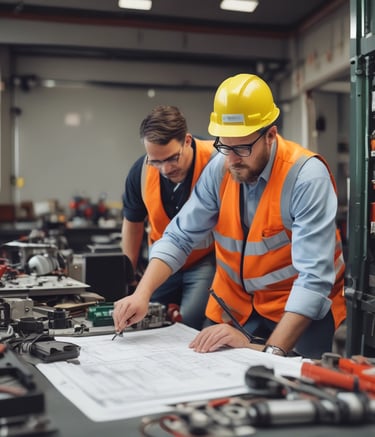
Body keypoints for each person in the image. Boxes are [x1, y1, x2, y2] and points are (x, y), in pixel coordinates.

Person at [114, 74, 346, 359]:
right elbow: (179, 236)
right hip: (235, 307)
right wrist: (142, 293)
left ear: (270, 136)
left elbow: (313, 280)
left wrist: (268, 351)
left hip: (297, 312)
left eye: (242, 148)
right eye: (225, 146)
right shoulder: (221, 168)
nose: (232, 159)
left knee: (293, 385)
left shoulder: (306, 178)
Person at [120, 105, 216, 330]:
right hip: (161, 261)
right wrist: (128, 277)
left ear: (187, 141)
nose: (165, 169)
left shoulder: (215, 162)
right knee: (147, 318)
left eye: (172, 158)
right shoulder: (140, 172)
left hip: (203, 260)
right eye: (156, 161)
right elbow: (133, 224)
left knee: (190, 320)